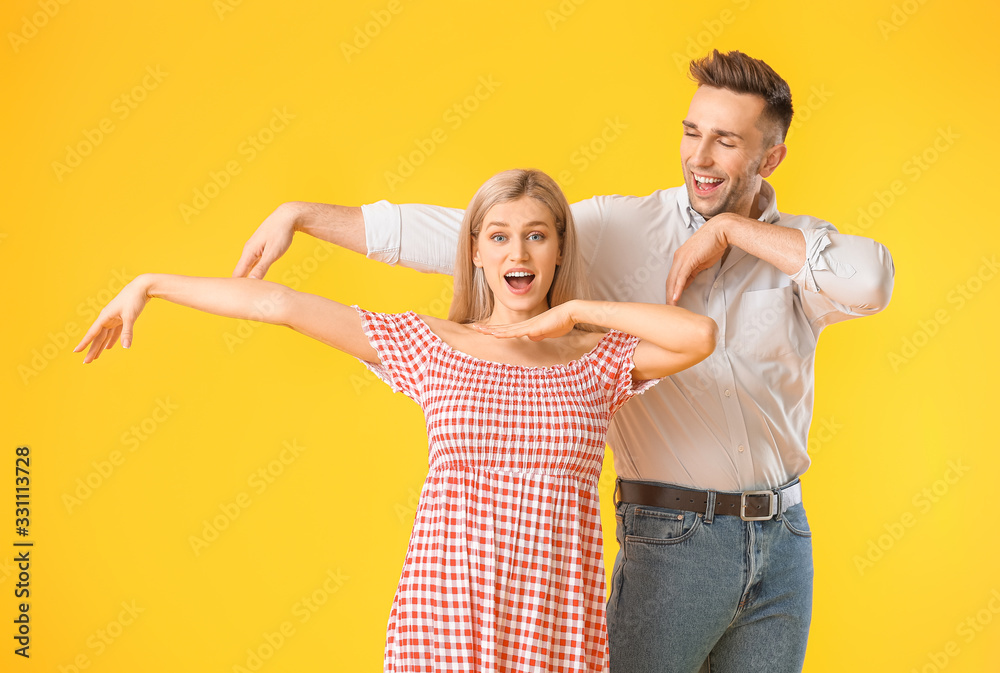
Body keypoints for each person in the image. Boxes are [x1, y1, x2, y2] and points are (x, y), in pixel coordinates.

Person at [229, 51, 896, 672]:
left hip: (783, 538)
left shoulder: (800, 249)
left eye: (727, 139)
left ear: (771, 156)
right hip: (672, 538)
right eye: (692, 132)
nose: (701, 155)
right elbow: (476, 234)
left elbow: (870, 284)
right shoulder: (619, 228)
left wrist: (729, 230)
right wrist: (304, 215)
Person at [75, 168, 717, 672]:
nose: (516, 251)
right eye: (498, 235)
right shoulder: (430, 345)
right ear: (475, 253)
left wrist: (576, 312)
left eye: (536, 234)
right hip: (444, 617)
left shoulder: (596, 360)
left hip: (555, 624)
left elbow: (699, 335)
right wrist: (152, 284)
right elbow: (275, 302)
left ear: (556, 249)